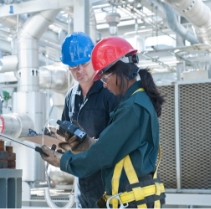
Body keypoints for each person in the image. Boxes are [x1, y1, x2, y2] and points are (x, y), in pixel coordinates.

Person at [41, 36, 166, 208]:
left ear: (118, 72)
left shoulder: (132, 107)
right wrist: (88, 144)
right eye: (73, 67)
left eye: (105, 78)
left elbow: (104, 154)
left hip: (129, 196)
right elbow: (118, 145)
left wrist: (62, 161)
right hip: (122, 194)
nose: (105, 85)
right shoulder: (137, 101)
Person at [57, 32, 120, 208]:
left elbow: (121, 139)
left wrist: (92, 145)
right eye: (73, 67)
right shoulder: (71, 96)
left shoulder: (110, 91)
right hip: (82, 184)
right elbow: (65, 132)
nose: (80, 71)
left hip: (109, 184)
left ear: (94, 58)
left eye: (84, 64)